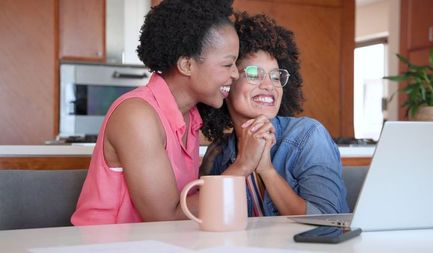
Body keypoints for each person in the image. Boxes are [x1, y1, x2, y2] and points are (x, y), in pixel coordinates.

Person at [71, 0, 270, 225]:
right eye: (227, 64)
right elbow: (164, 217)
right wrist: (243, 165)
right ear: (186, 65)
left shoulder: (191, 116)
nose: (235, 74)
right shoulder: (137, 115)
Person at [199, 12, 349, 217]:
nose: (269, 85)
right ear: (228, 80)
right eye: (253, 74)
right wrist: (241, 165)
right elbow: (205, 219)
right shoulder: (218, 154)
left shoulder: (308, 137)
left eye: (276, 76)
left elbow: (329, 223)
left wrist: (267, 171)